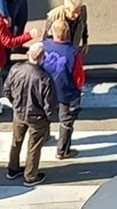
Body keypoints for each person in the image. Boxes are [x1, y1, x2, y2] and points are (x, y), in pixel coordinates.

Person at [4, 42, 57, 187]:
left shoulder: (16, 69)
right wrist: (50, 118)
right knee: (33, 147)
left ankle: (13, 168)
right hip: (37, 118)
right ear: (42, 58)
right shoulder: (45, 78)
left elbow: (7, 90)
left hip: (19, 113)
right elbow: (49, 104)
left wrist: (15, 104)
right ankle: (30, 175)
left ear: (28, 54)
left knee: (16, 142)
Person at [42, 19, 86, 160]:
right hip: (66, 92)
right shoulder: (72, 52)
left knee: (43, 114)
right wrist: (78, 89)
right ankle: (63, 150)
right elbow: (79, 76)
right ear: (67, 33)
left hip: (46, 90)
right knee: (66, 121)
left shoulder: (43, 46)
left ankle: (44, 136)